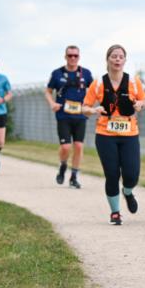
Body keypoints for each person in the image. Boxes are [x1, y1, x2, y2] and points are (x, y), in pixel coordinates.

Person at [83, 45, 145, 224]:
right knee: (112, 174)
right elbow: (84, 108)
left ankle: (127, 192)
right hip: (105, 134)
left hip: (129, 133)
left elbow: (143, 100)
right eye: (114, 56)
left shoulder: (134, 82)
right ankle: (115, 212)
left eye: (121, 57)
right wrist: (93, 109)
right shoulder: (98, 83)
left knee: (132, 174)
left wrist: (139, 105)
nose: (117, 59)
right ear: (108, 60)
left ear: (125, 61)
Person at [45, 45, 93, 189]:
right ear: (65, 57)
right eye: (70, 55)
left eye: (75, 55)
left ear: (79, 57)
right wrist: (52, 103)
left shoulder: (86, 73)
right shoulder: (57, 74)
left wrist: (89, 106)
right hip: (63, 116)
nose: (72, 58)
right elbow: (47, 91)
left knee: (78, 146)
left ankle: (74, 177)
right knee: (66, 147)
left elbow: (94, 92)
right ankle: (63, 165)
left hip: (80, 116)